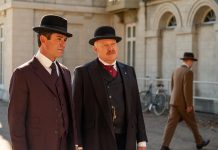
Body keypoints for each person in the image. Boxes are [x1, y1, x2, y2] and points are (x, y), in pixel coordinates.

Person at [72, 26, 148, 150]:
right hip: (96, 140)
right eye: (105, 45)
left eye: (113, 44)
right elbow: (76, 112)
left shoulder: (129, 71)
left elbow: (136, 108)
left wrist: (141, 140)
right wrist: (78, 144)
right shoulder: (83, 73)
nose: (110, 48)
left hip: (126, 139)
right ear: (95, 48)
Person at [8, 15, 75, 150]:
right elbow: (16, 124)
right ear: (43, 39)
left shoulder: (65, 72)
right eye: (58, 39)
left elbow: (70, 115)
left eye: (64, 40)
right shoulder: (22, 74)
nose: (63, 44)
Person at [160, 52, 210, 150]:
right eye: (192, 61)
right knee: (192, 123)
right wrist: (189, 105)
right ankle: (199, 142)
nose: (192, 64)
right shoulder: (188, 72)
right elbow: (187, 89)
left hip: (174, 102)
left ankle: (164, 146)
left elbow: (172, 87)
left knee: (170, 124)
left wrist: (173, 99)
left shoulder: (175, 70)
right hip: (184, 104)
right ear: (189, 61)